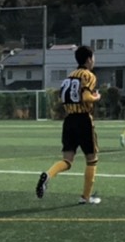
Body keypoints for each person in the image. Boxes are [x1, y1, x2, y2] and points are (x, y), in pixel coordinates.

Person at [37, 45, 102, 204]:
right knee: (92, 159)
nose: (94, 61)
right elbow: (86, 97)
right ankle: (85, 197)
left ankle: (48, 175)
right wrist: (96, 97)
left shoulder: (69, 76)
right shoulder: (88, 75)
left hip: (69, 120)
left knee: (67, 160)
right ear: (88, 59)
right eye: (93, 58)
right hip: (83, 120)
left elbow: (63, 97)